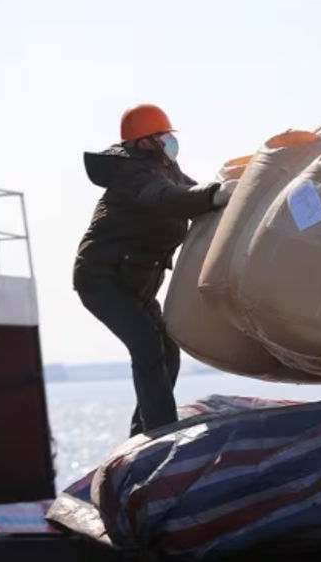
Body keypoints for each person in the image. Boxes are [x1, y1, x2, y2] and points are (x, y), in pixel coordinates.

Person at [73, 104, 233, 436]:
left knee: (168, 351)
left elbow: (191, 192)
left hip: (137, 285)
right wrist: (215, 196)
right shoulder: (130, 174)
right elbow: (169, 199)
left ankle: (142, 433)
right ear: (145, 142)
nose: (170, 142)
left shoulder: (165, 167)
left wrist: (231, 189)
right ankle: (161, 435)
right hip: (102, 281)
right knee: (146, 345)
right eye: (163, 137)